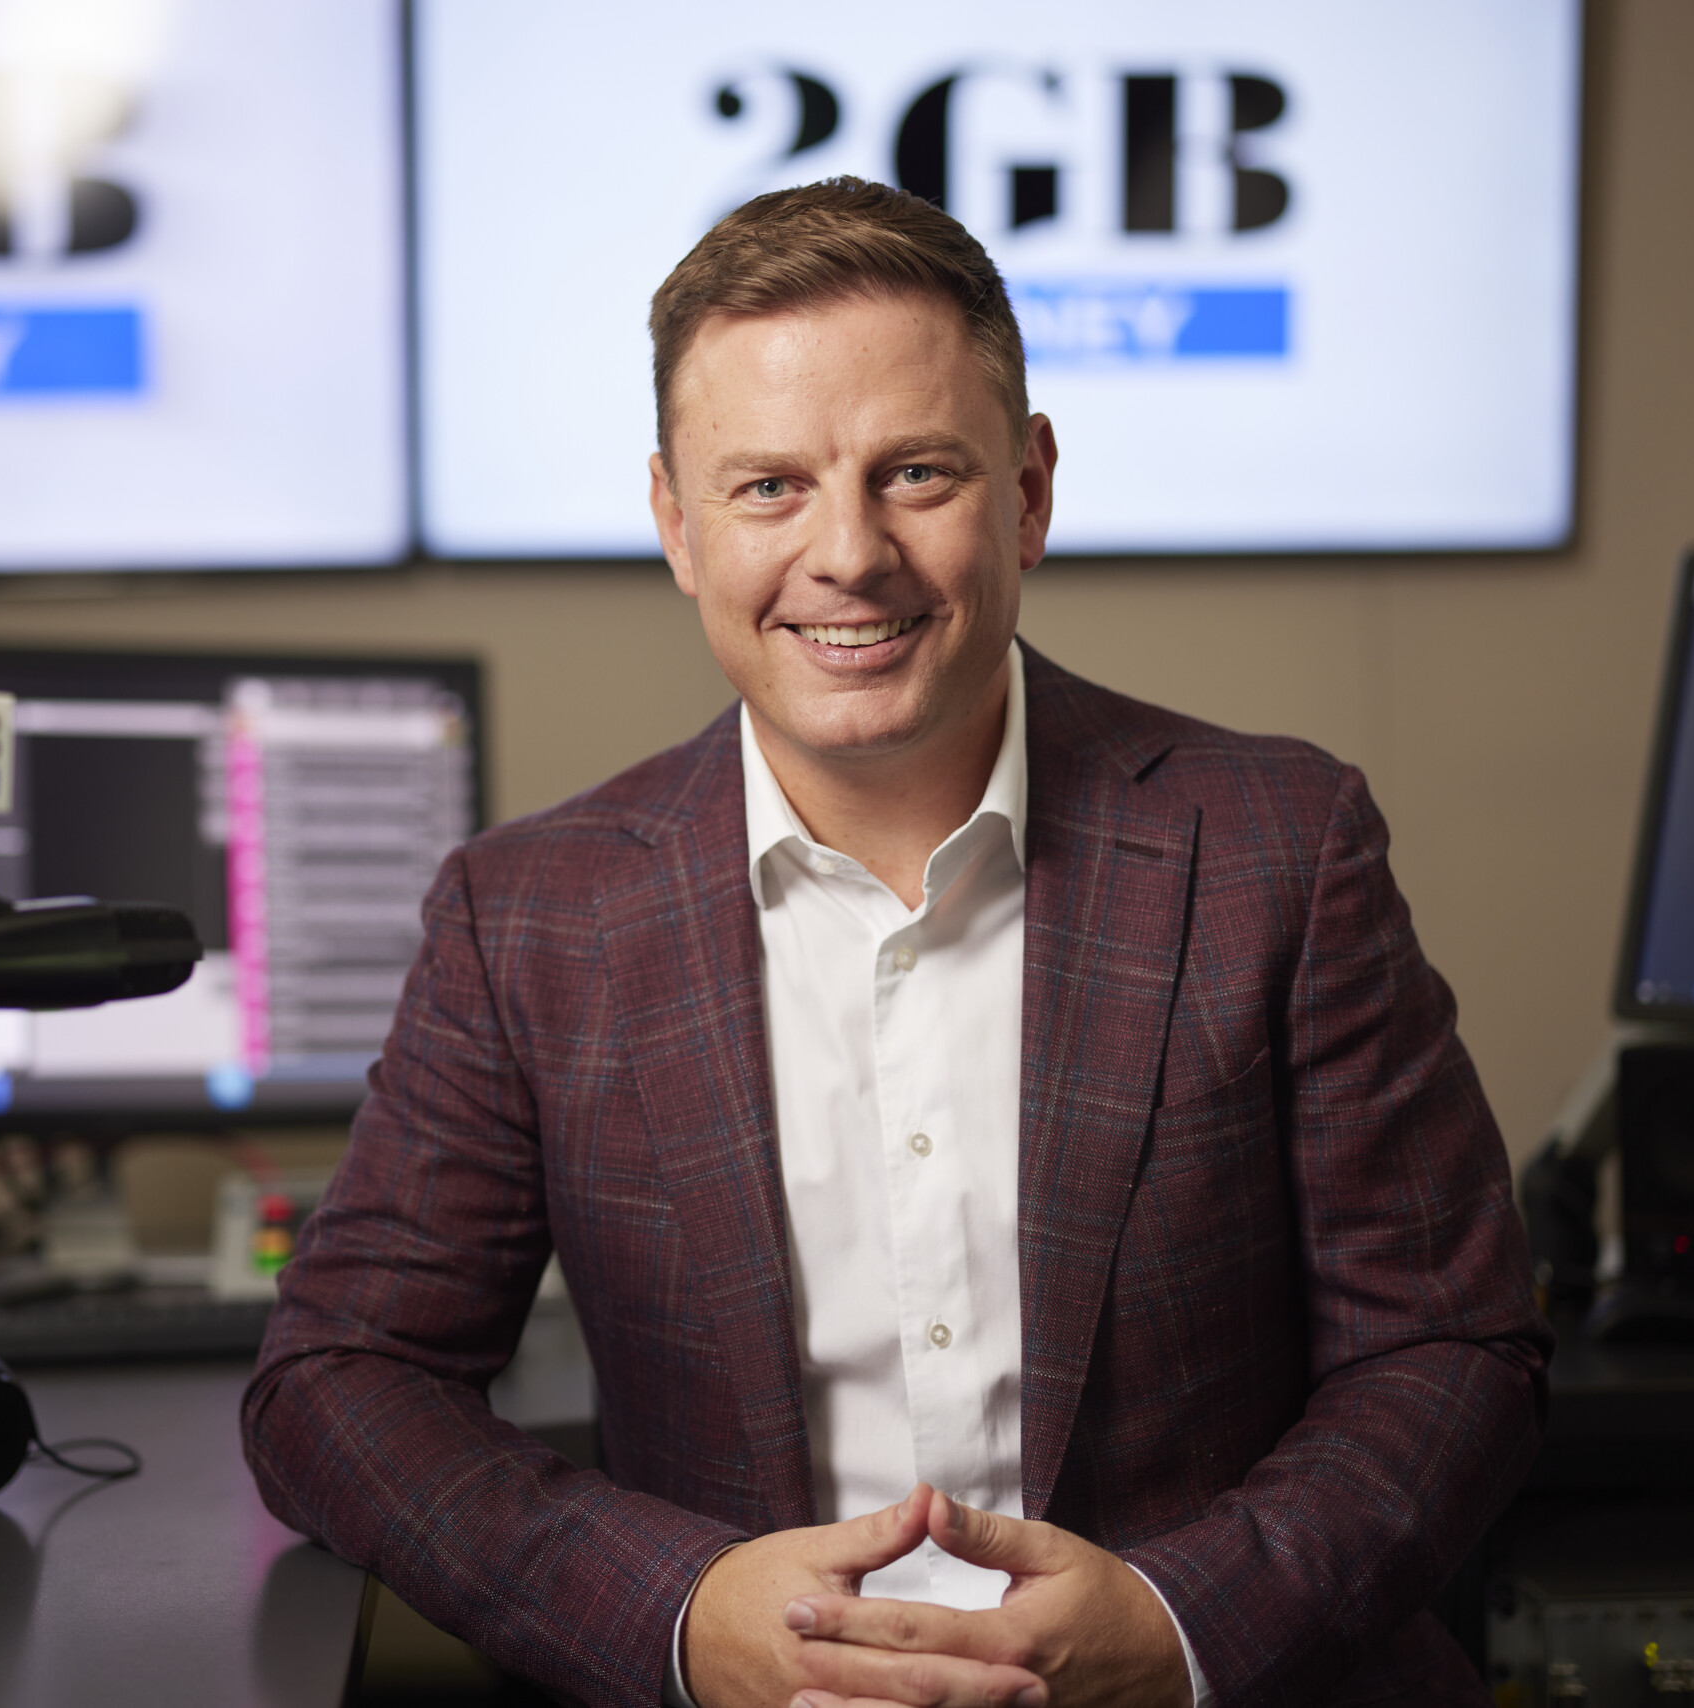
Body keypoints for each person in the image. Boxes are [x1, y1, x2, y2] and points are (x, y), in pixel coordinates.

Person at [245, 176, 1548, 1708]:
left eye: (916, 473)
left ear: (1031, 491)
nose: (849, 554)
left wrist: (1177, 1628)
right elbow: (337, 1383)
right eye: (768, 487)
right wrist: (679, 1617)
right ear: (676, 523)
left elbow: (1453, 1352)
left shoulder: (1281, 847)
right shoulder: (529, 916)